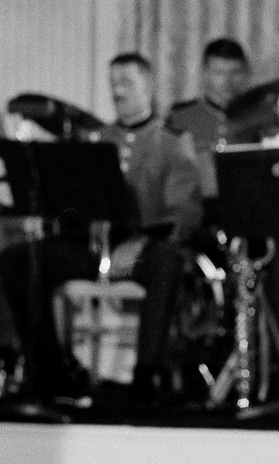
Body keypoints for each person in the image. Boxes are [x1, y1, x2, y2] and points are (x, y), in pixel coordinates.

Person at [0, 53, 203, 406]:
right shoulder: (96, 139)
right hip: (91, 246)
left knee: (167, 262)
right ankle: (53, 367)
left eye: (128, 83)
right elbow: (71, 205)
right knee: (17, 261)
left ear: (149, 86)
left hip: (142, 248)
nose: (118, 92)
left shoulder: (172, 142)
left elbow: (184, 210)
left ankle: (145, 374)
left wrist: (142, 241)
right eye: (113, 84)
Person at [168, 37, 250, 222]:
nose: (228, 81)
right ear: (204, 74)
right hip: (195, 213)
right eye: (219, 72)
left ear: (246, 74)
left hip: (245, 211)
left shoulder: (258, 116)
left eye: (235, 72)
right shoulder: (180, 117)